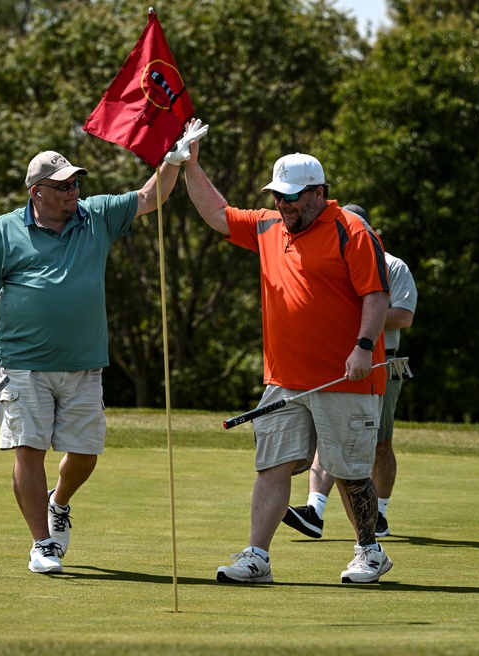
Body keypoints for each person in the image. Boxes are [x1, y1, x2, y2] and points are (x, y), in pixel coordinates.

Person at [0, 129, 196, 574]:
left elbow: (147, 197)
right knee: (29, 447)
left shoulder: (95, 215)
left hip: (83, 363)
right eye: (63, 186)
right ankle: (42, 544)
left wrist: (172, 162)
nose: (73, 192)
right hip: (20, 364)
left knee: (86, 453)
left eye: (75, 183)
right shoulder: (4, 230)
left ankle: (57, 502)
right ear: (36, 192)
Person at [183, 143, 393, 584]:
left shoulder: (351, 231)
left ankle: (369, 552)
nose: (283, 203)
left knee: (350, 470)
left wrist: (363, 345)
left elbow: (375, 295)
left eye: (292, 196)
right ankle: (257, 557)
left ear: (318, 192)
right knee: (272, 466)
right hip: (285, 380)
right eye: (278, 195)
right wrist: (191, 165)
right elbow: (218, 213)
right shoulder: (268, 226)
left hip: (345, 376)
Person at [283, 203, 417, 540]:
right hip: (332, 358)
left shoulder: (393, 266)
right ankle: (314, 509)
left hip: (381, 361)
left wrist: (359, 317)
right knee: (330, 437)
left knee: (380, 445)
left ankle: (380, 515)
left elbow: (403, 315)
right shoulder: (328, 259)